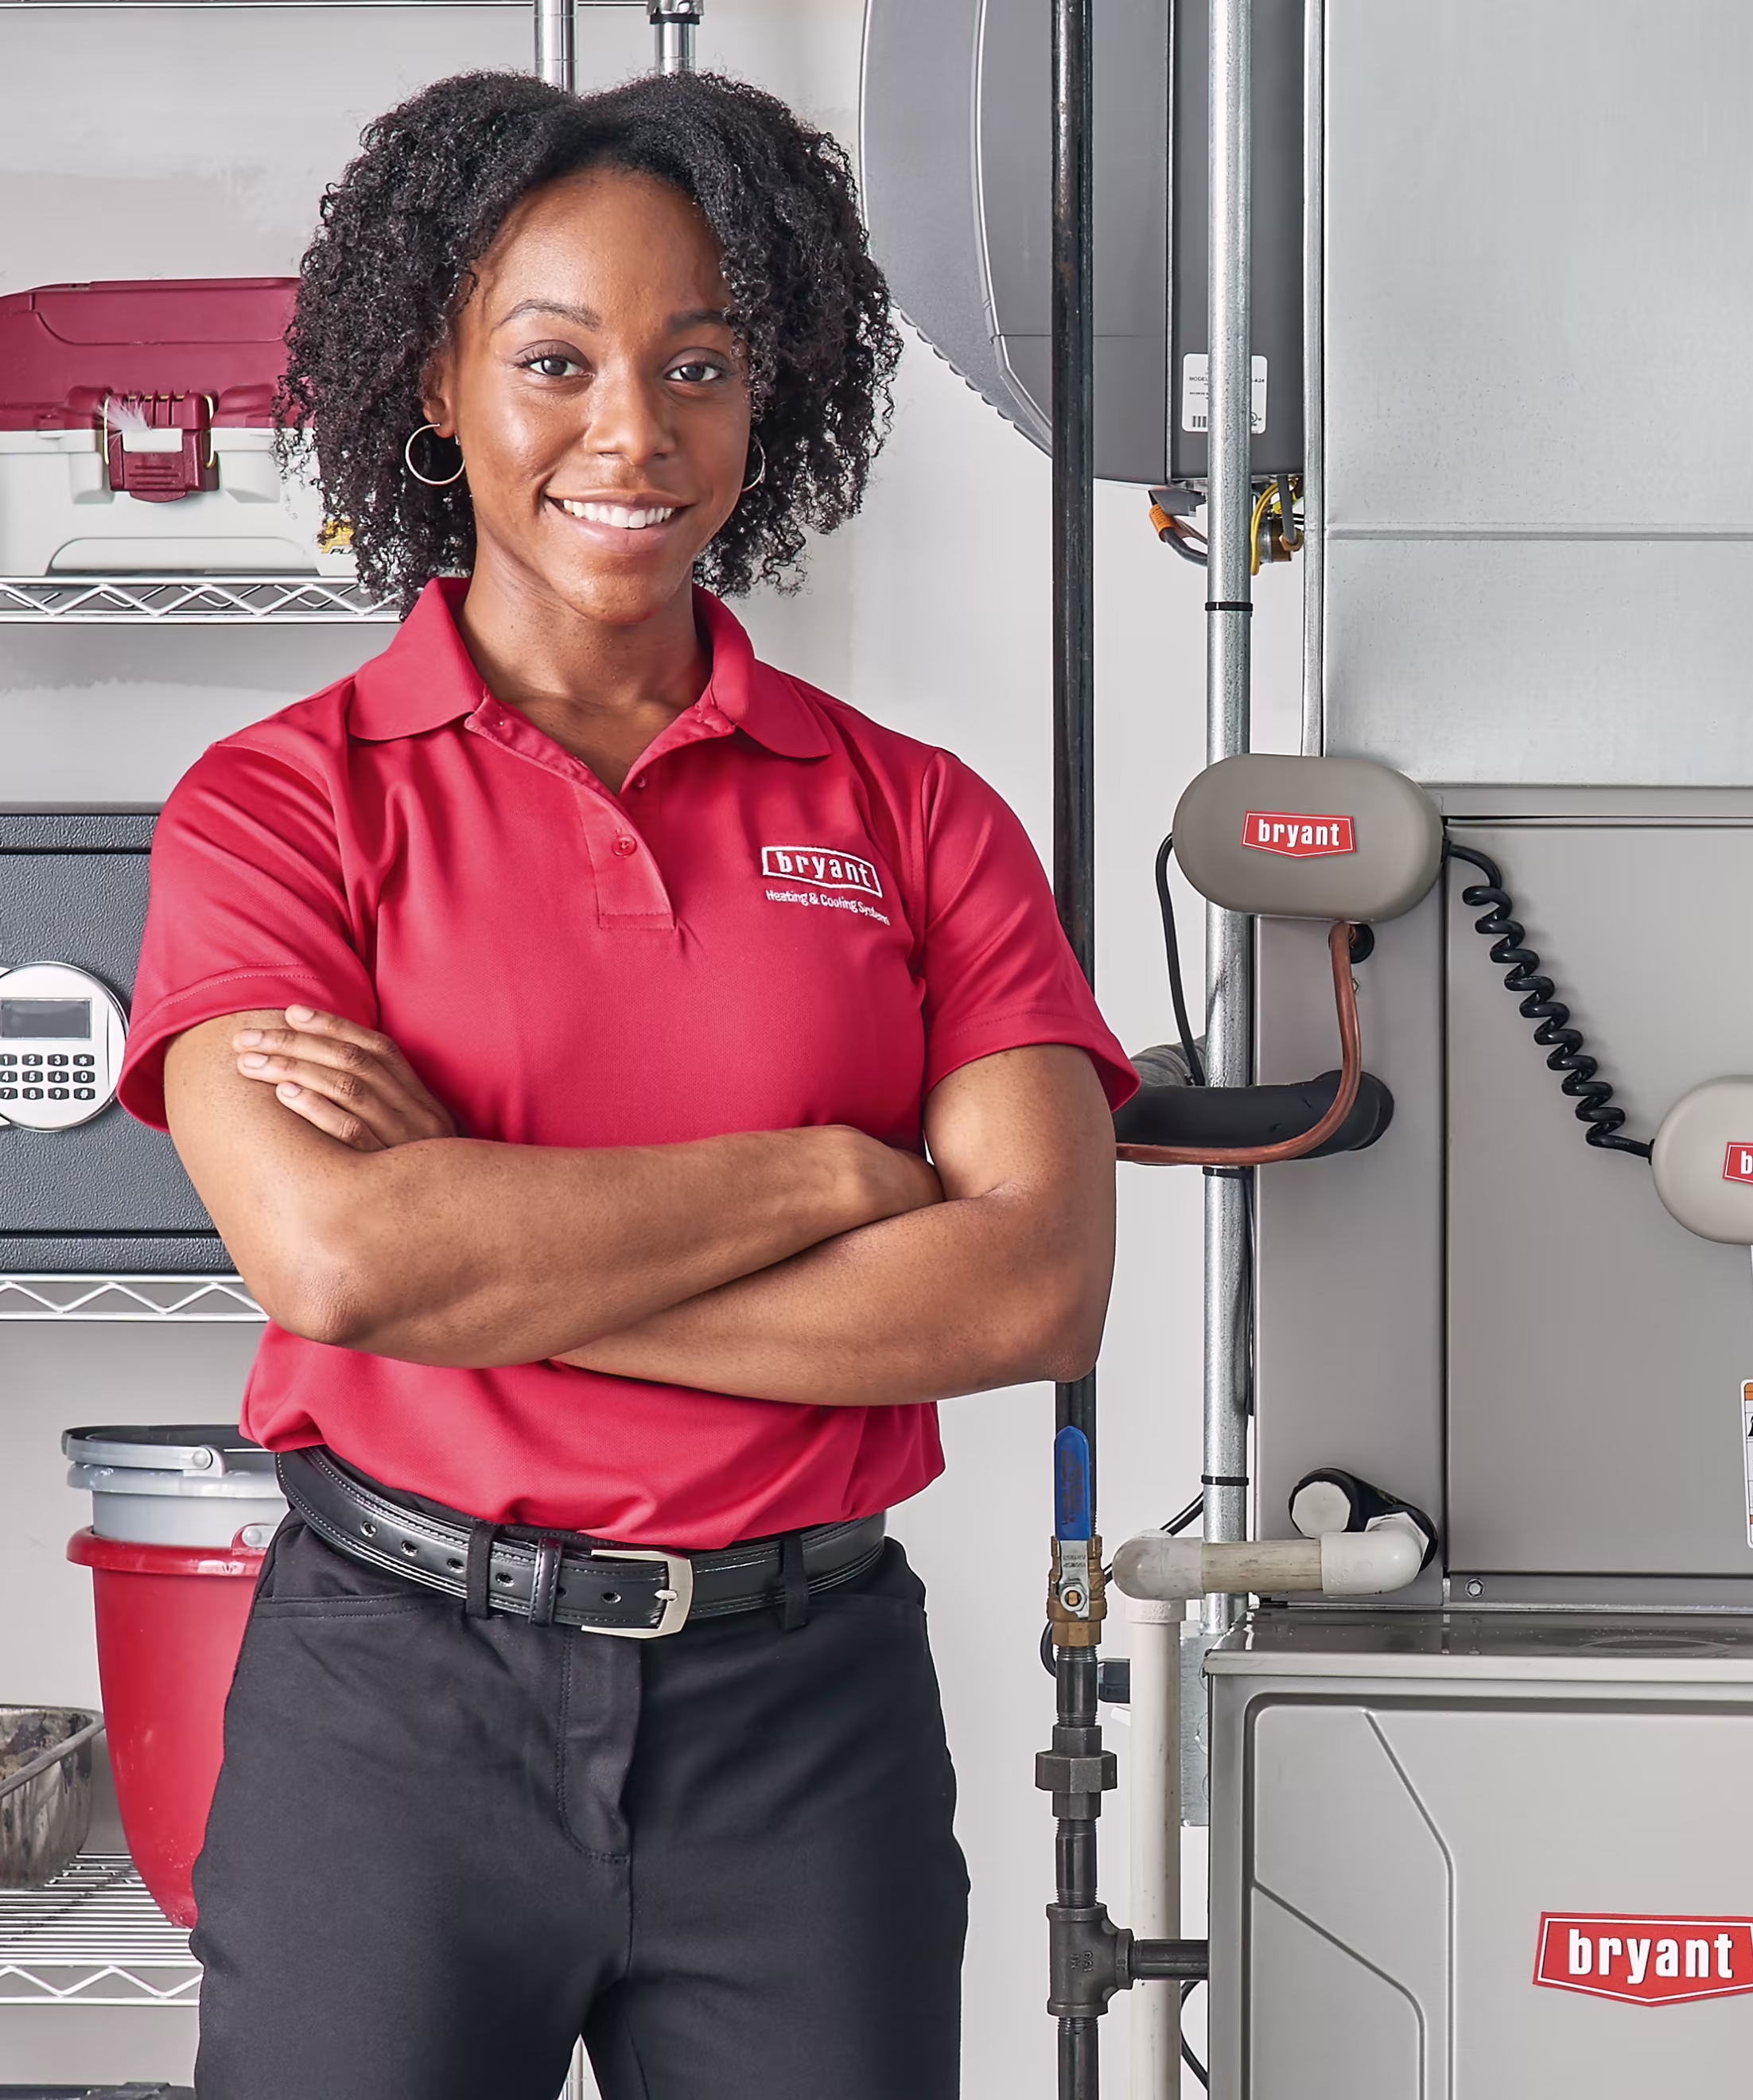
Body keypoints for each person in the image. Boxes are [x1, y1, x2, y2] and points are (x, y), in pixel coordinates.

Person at [115, 68, 1133, 2100]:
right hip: (397, 1706)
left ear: (775, 397)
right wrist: (835, 1179)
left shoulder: (921, 817)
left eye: (700, 366)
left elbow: (1032, 1292)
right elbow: (333, 1258)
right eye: (557, 361)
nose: (632, 434)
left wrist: (488, 1235)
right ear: (439, 377)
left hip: (803, 1725)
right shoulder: (276, 812)